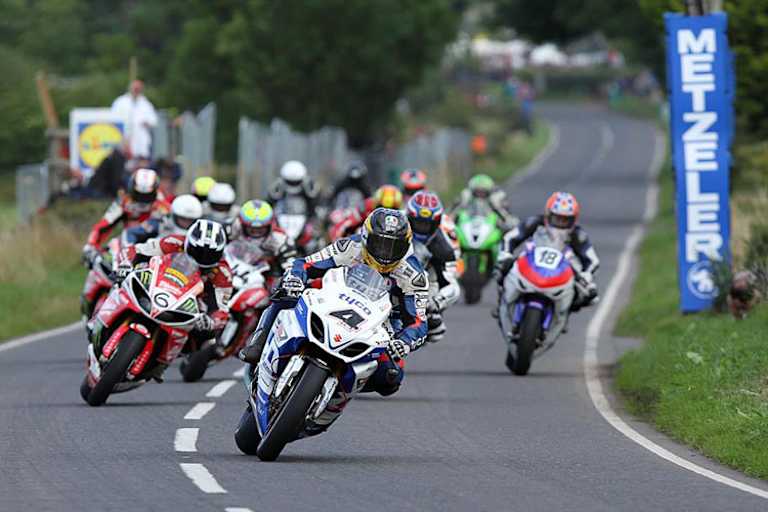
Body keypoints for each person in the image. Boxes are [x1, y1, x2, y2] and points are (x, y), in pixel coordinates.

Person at [240, 208, 429, 403]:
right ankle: (259, 341)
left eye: (394, 247)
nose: (385, 254)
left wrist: (404, 341)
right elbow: (305, 264)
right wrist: (295, 278)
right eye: (380, 244)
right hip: (336, 298)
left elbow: (419, 321)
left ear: (406, 246)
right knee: (286, 289)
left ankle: (337, 390)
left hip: (382, 322)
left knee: (390, 379)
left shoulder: (413, 276)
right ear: (366, 237)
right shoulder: (350, 247)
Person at [117, 219, 232, 378]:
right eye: (198, 251)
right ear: (189, 242)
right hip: (157, 283)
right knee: (119, 284)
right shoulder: (174, 241)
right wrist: (125, 265)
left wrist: (211, 321)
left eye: (210, 255)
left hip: (190, 302)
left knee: (208, 338)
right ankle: (100, 319)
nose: (203, 257)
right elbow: (135, 250)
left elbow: (222, 309)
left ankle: (162, 360)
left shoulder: (223, 273)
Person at [494, 191, 600, 319]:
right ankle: (503, 301)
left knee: (590, 295)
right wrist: (506, 255)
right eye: (557, 218)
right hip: (530, 262)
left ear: (574, 219)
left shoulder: (578, 234)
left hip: (561, 270)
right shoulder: (534, 222)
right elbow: (510, 238)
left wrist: (586, 275)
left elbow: (592, 260)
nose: (560, 222)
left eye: (566, 220)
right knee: (504, 268)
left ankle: (563, 313)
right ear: (548, 214)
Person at [82, 168, 170, 265]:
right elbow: (104, 224)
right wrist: (91, 245)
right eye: (138, 194)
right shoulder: (124, 201)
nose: (142, 199)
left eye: (147, 195)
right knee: (108, 250)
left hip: (154, 248)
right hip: (128, 244)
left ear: (155, 191)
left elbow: (172, 228)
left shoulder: (162, 205)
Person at [406, 191, 460, 343]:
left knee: (436, 330)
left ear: (436, 223)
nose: (421, 228)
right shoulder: (398, 224)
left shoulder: (445, 246)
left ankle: (428, 312)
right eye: (418, 223)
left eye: (426, 225)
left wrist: (435, 303)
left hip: (424, 276)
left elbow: (452, 284)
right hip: (392, 268)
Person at [231, 199, 297, 275]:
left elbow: (290, 267)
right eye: (252, 228)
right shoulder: (233, 229)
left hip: (267, 275)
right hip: (235, 270)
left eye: (260, 228)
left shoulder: (280, 239)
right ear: (243, 225)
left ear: (269, 225)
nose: (256, 232)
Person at [327, 184, 402, 241]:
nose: (386, 213)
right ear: (376, 203)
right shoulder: (366, 206)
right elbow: (347, 222)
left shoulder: (402, 216)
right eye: (381, 207)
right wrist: (337, 240)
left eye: (392, 209)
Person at [122, 194, 203, 245]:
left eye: (190, 220)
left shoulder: (201, 233)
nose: (186, 223)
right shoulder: (161, 223)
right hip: (156, 264)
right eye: (183, 219)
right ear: (174, 215)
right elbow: (131, 233)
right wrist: (131, 250)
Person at [451, 174, 518, 231]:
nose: (480, 195)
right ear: (473, 192)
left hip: (490, 228)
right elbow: (452, 216)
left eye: (483, 192)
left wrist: (497, 208)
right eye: (478, 192)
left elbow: (509, 219)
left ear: (488, 192)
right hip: (469, 226)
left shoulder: (494, 201)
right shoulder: (466, 200)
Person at [111, 80, 158, 159]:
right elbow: (113, 118)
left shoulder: (146, 104)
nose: (136, 91)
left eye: (138, 89)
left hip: (140, 138)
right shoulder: (120, 102)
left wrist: (147, 123)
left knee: (141, 159)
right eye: (135, 88)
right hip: (124, 137)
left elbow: (153, 120)